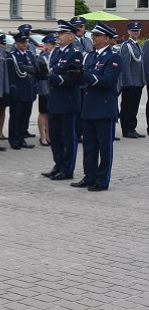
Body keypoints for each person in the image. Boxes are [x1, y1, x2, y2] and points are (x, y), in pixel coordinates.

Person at [72, 22, 122, 192]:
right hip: (89, 106)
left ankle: (102, 179)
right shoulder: (91, 56)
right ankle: (89, 175)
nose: (93, 38)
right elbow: (86, 79)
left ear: (107, 39)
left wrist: (85, 76)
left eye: (97, 36)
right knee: (89, 145)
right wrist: (77, 76)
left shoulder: (113, 57)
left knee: (104, 146)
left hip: (104, 108)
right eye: (92, 35)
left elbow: (108, 82)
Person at [44, 21, 82, 181]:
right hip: (55, 101)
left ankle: (67, 169)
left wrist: (57, 79)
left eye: (62, 33)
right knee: (55, 136)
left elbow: (75, 78)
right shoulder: (56, 52)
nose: (58, 36)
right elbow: (50, 72)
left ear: (71, 36)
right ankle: (58, 164)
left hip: (68, 101)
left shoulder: (75, 54)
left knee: (68, 137)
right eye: (58, 33)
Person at [6, 32, 39, 149]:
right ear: (16, 43)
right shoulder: (12, 56)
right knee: (16, 116)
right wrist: (12, 89)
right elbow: (11, 75)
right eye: (22, 42)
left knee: (25, 116)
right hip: (19, 90)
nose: (25, 44)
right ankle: (14, 139)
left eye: (26, 42)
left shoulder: (30, 54)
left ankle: (21, 137)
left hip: (29, 90)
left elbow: (35, 72)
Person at [117, 22, 144, 139]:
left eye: (137, 31)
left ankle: (132, 127)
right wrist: (127, 82)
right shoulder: (126, 46)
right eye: (133, 31)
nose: (136, 33)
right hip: (130, 82)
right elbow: (125, 65)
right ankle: (126, 129)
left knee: (134, 107)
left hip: (138, 81)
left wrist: (142, 80)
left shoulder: (137, 45)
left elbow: (140, 65)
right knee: (127, 106)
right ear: (128, 32)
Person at [37, 34, 56, 146]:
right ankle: (42, 136)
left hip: (52, 86)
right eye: (51, 44)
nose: (54, 46)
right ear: (46, 45)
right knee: (43, 112)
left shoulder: (55, 55)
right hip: (44, 86)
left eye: (54, 44)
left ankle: (49, 135)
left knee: (50, 112)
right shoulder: (42, 57)